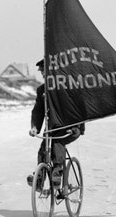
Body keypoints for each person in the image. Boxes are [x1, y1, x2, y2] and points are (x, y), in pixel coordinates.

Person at [27, 59, 85, 188]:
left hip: (71, 127)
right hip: (52, 129)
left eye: (44, 70)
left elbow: (79, 108)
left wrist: (77, 127)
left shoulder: (68, 86)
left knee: (57, 143)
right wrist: (35, 127)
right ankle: (39, 180)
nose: (42, 73)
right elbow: (38, 111)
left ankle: (57, 173)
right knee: (43, 150)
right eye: (41, 70)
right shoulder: (42, 90)